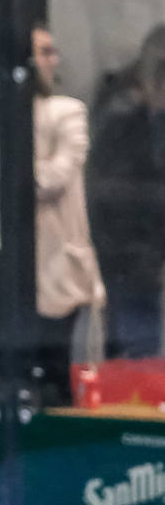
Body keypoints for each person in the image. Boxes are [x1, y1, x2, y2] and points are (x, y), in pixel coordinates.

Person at [0, 30, 105, 407]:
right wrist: (3, 181)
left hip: (48, 263)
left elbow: (55, 177)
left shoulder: (66, 112)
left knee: (49, 372)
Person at [87, 24, 165, 359]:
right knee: (135, 349)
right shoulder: (118, 115)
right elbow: (106, 188)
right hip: (129, 250)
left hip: (145, 245)